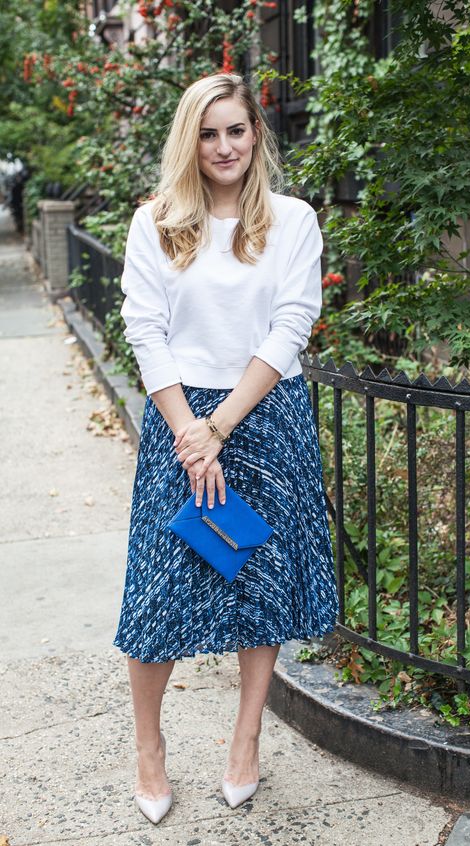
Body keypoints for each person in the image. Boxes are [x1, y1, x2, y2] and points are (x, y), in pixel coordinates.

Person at [112, 70, 339, 825]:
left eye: (236, 130)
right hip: (181, 422)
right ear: (190, 140)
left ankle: (246, 742)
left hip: (264, 414)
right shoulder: (155, 223)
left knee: (263, 587)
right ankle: (151, 748)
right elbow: (145, 330)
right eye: (208, 133)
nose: (223, 146)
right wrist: (190, 430)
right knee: (158, 593)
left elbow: (290, 324)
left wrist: (222, 426)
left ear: (256, 135)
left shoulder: (292, 220)